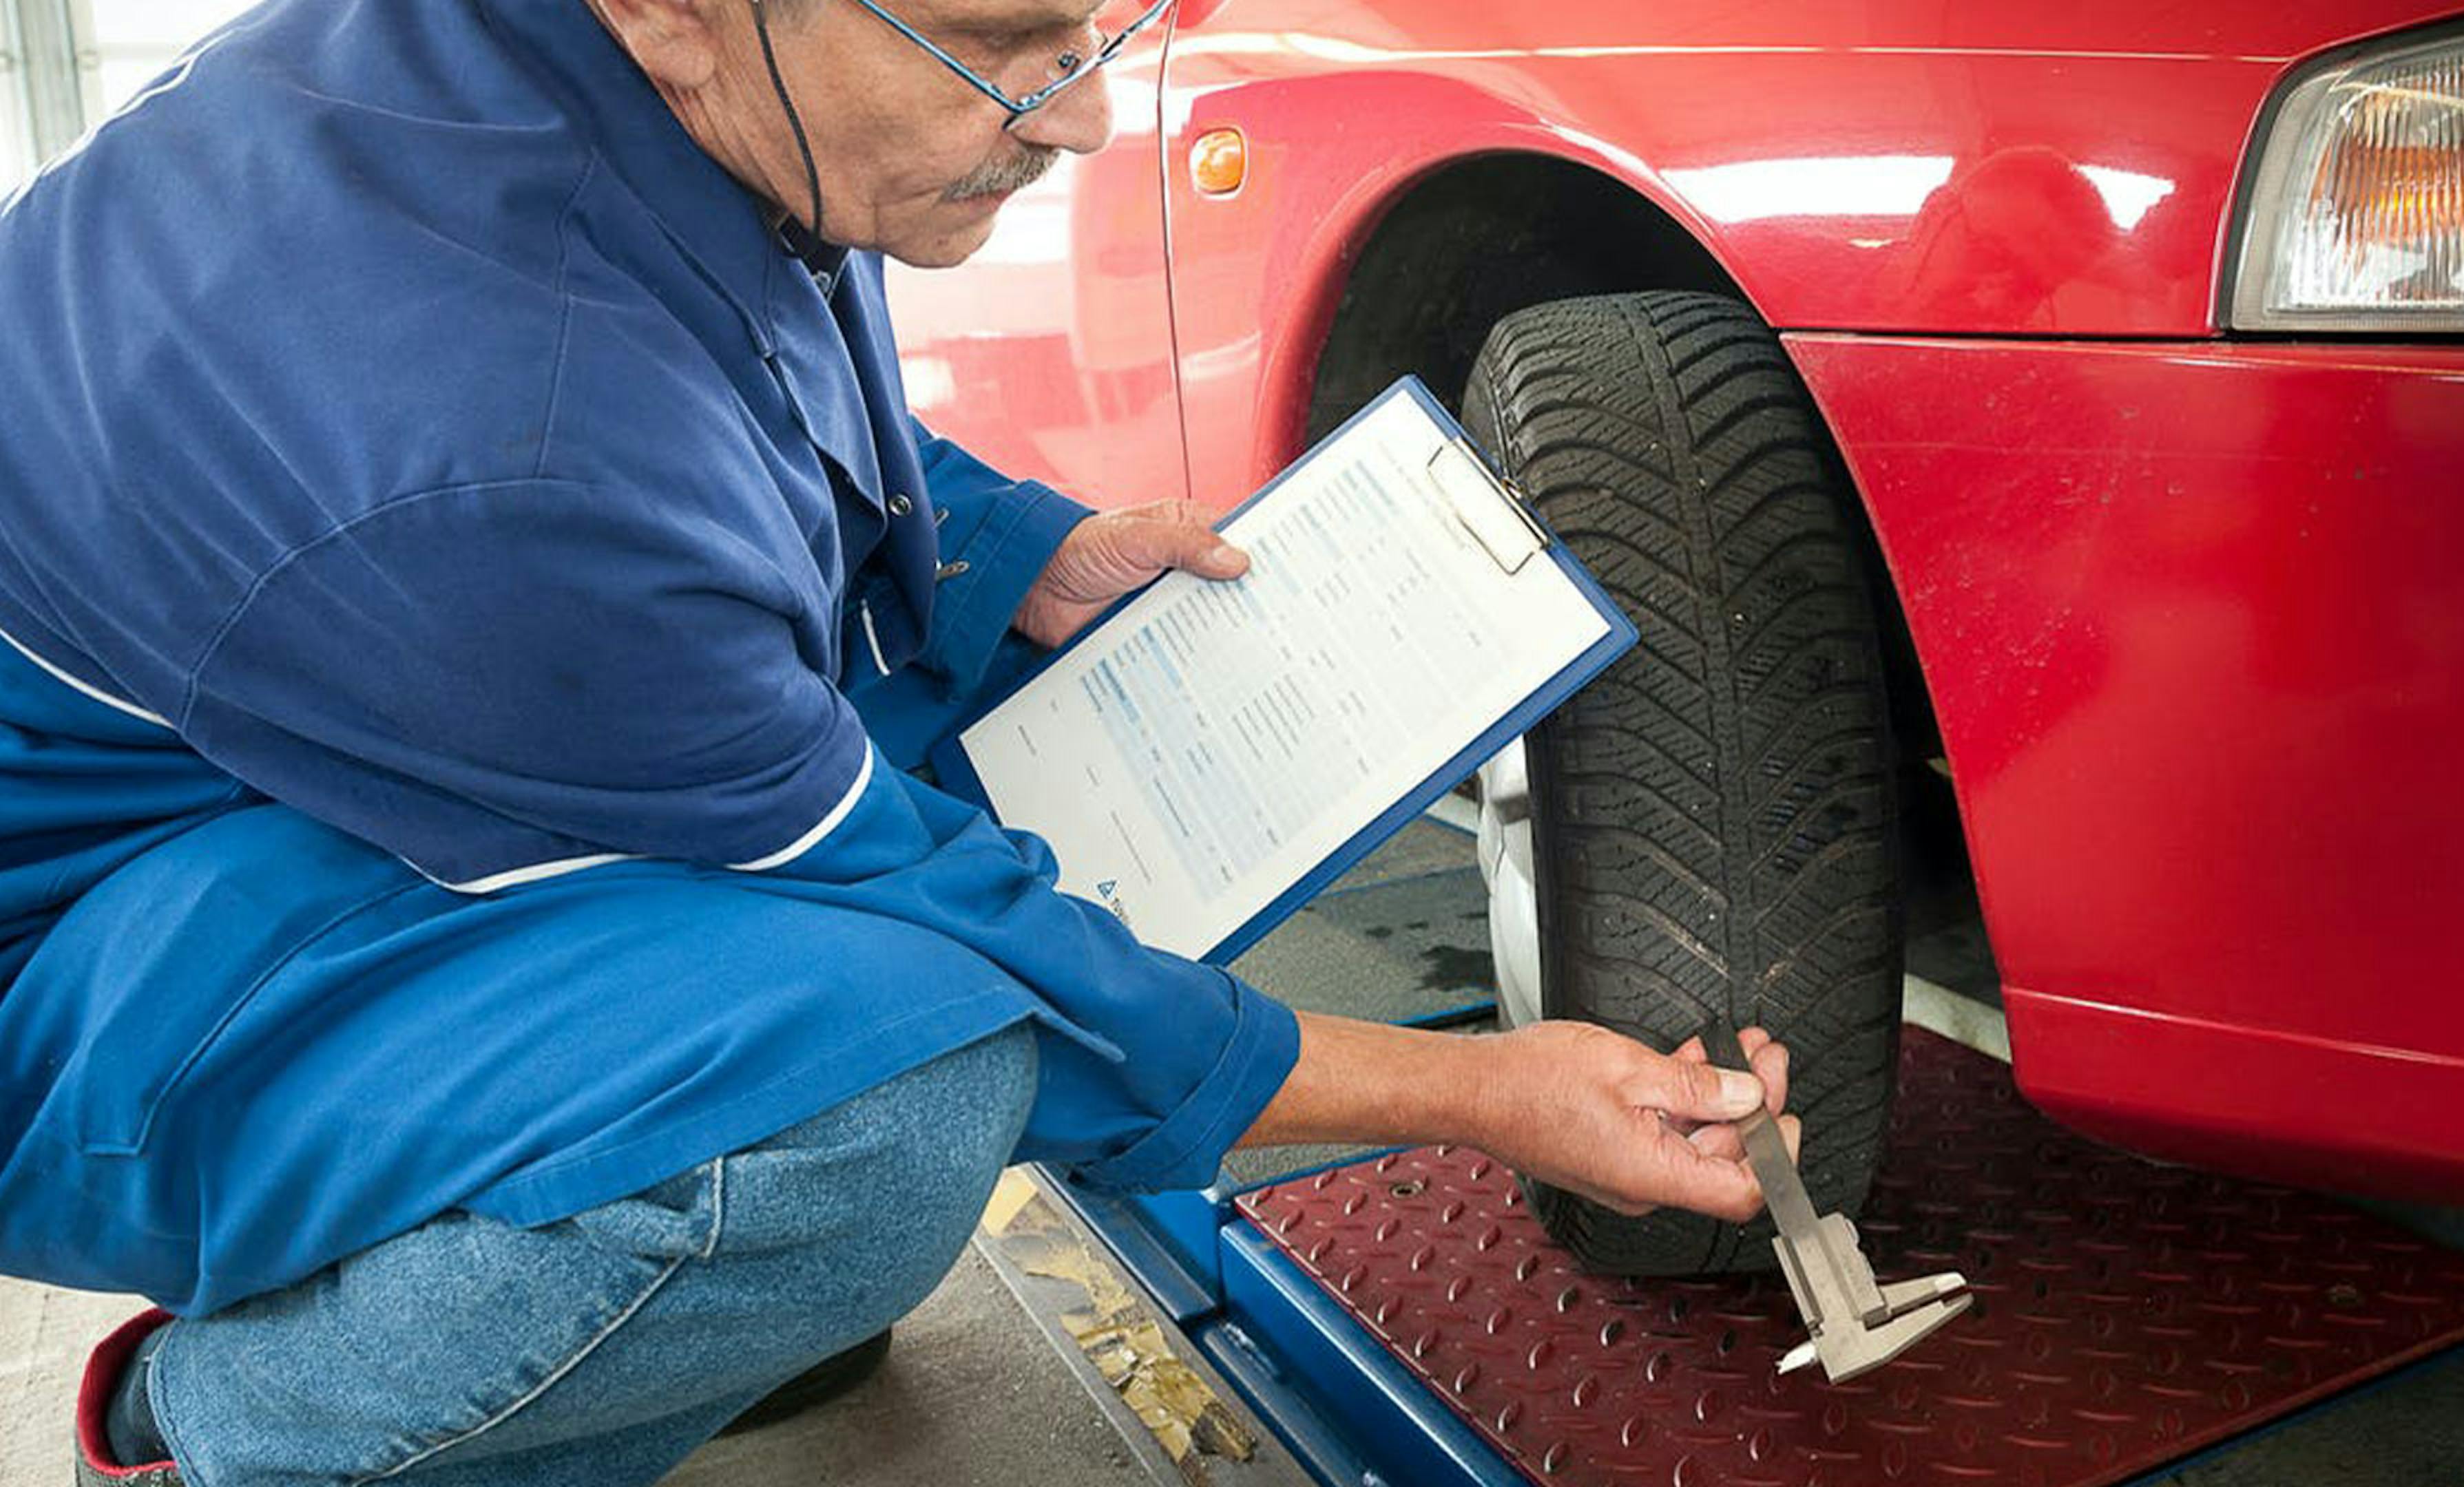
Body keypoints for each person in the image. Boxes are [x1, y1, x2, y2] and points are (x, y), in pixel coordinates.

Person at [0, 1, 1797, 1482]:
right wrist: (1489, 1093)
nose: (1084, 114)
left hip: (289, 729)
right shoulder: (501, 447)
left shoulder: (643, 98)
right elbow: (957, 937)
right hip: (77, 961)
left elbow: (724, 396)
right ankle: (256, 1424)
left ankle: (592, 1269)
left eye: (1106, 22)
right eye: (1004, 41)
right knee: (879, 1103)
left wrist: (1018, 553)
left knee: (935, 799)